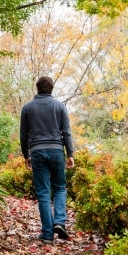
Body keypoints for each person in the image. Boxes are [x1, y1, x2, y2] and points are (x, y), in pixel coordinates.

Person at [20, 76, 75, 245]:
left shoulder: (27, 108)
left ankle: (47, 234)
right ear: (51, 88)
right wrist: (70, 153)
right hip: (57, 151)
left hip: (37, 152)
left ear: (37, 88)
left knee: (43, 192)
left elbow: (24, 135)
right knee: (59, 188)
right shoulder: (60, 107)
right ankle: (59, 222)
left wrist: (26, 155)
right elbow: (66, 132)